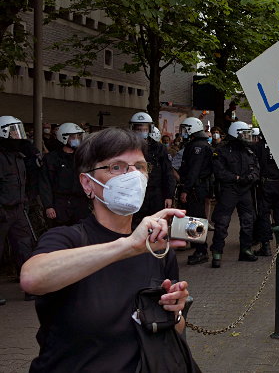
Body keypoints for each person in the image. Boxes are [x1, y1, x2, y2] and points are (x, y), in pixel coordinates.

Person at [19, 128, 191, 371]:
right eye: (116, 167)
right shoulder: (67, 239)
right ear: (87, 183)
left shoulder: (157, 249)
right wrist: (128, 246)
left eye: (140, 167)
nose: (132, 176)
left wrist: (175, 312)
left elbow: (177, 329)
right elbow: (32, 278)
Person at [210, 121, 260, 267]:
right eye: (244, 133)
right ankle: (217, 253)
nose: (247, 137)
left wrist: (249, 178)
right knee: (222, 223)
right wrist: (236, 178)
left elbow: (256, 169)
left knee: (248, 221)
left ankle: (245, 249)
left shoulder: (249, 151)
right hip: (229, 191)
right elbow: (219, 171)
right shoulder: (222, 151)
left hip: (245, 190)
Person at [0, 116, 36, 303]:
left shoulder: (18, 157)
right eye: (13, 131)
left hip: (19, 210)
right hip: (3, 210)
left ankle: (30, 287)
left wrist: (25, 203)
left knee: (24, 248)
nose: (17, 135)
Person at [40, 122, 90, 228]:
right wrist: (48, 206)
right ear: (64, 137)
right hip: (60, 204)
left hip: (80, 204)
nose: (77, 139)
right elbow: (45, 183)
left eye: (78, 136)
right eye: (73, 136)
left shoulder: (82, 158)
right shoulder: (52, 158)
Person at [129, 113, 176, 226]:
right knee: (135, 224)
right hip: (135, 192)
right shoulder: (127, 147)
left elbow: (168, 173)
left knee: (156, 224)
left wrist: (169, 196)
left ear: (150, 129)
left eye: (145, 129)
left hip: (155, 193)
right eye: (138, 129)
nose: (142, 132)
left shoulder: (159, 148)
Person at [178, 117, 214, 265]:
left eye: (186, 129)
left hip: (196, 188)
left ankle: (201, 251)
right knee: (195, 218)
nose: (184, 132)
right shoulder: (199, 144)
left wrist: (186, 189)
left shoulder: (197, 147)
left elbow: (194, 170)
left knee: (196, 219)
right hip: (198, 187)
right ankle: (199, 248)